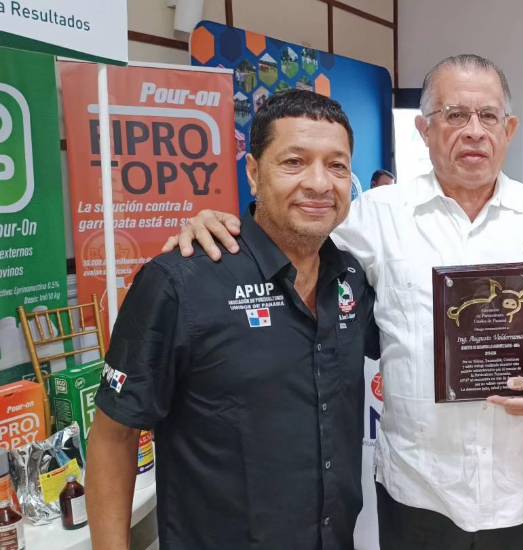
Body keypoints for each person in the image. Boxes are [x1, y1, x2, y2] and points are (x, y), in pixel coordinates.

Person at [163, 54, 523, 550]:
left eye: (488, 116)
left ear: (508, 129)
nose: (474, 131)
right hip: (418, 489)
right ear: (424, 130)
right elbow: (294, 244)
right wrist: (225, 226)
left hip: (521, 484)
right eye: (455, 115)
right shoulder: (377, 214)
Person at [86, 90, 379, 550]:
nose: (320, 183)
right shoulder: (181, 282)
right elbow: (113, 436)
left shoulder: (352, 279)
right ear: (254, 173)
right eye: (294, 162)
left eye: (337, 166)